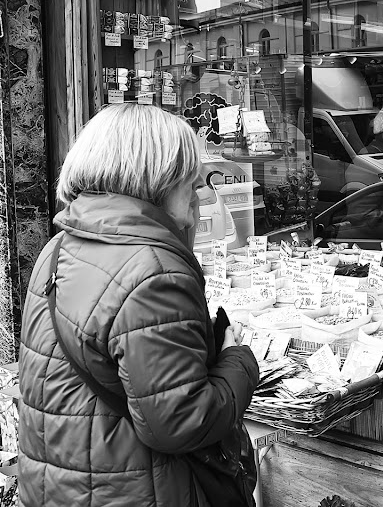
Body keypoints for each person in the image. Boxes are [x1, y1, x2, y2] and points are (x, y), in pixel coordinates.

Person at [17, 104, 259, 506]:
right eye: (190, 177)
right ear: (158, 176)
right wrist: (238, 360)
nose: (198, 190)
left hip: (61, 484)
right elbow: (180, 421)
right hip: (135, 489)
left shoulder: (59, 247)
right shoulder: (154, 270)